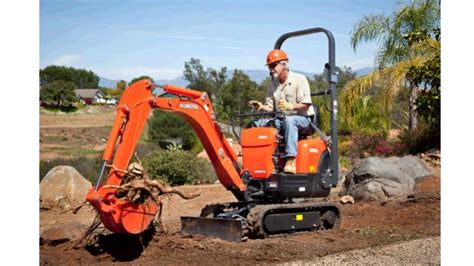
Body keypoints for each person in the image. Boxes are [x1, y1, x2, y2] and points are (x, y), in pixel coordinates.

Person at [248, 49, 315, 174]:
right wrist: (261, 106)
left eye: (273, 65)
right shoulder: (273, 85)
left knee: (290, 121)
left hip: (303, 119)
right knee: (260, 124)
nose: (271, 69)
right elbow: (271, 108)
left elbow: (306, 105)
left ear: (283, 64)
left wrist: (290, 106)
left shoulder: (300, 79)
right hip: (281, 119)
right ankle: (264, 161)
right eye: (269, 66)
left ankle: (290, 160)